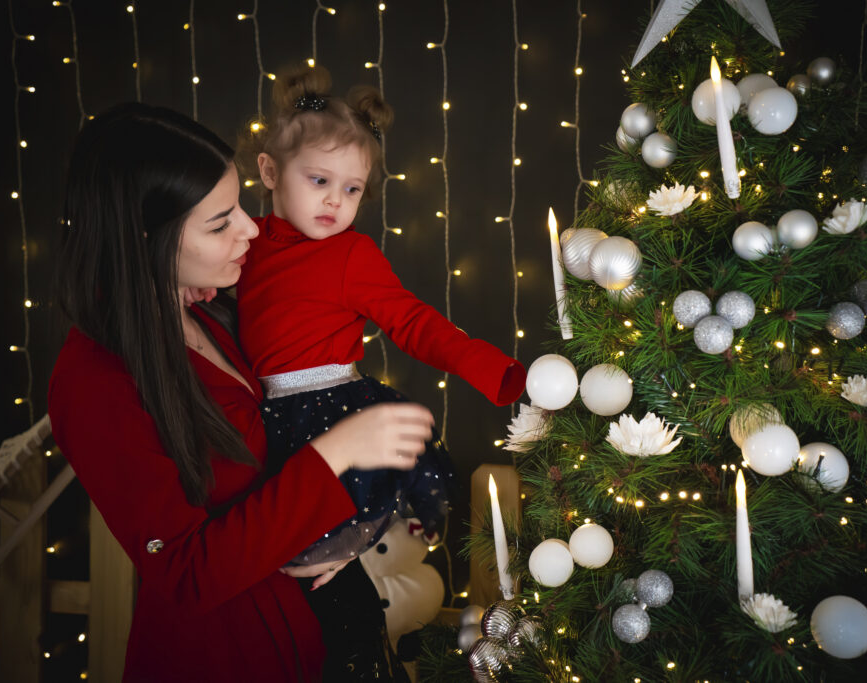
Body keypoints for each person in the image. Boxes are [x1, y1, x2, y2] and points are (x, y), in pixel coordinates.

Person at [47, 101, 435, 683]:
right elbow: (187, 572)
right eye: (219, 221)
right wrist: (337, 452)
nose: (251, 228)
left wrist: (342, 529)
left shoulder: (214, 309)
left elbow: (279, 455)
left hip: (325, 629)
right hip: (230, 655)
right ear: (145, 238)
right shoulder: (94, 381)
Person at [237, 64, 526, 564]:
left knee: (319, 546)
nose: (336, 199)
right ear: (269, 172)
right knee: (263, 530)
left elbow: (411, 322)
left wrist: (483, 365)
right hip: (263, 418)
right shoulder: (244, 242)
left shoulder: (350, 254)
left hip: (328, 413)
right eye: (319, 179)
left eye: (353, 189)